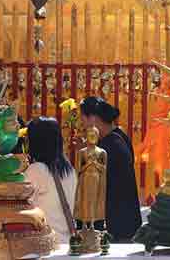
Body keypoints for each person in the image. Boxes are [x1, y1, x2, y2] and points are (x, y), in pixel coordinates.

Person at [79, 96, 142, 242]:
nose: (83, 125)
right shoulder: (118, 137)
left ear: (93, 119)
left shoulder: (110, 145)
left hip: (117, 227)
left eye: (83, 119)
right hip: (125, 222)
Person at [24, 117, 77, 243]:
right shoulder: (69, 169)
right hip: (67, 242)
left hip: (46, 243)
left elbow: (19, 207)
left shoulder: (37, 170)